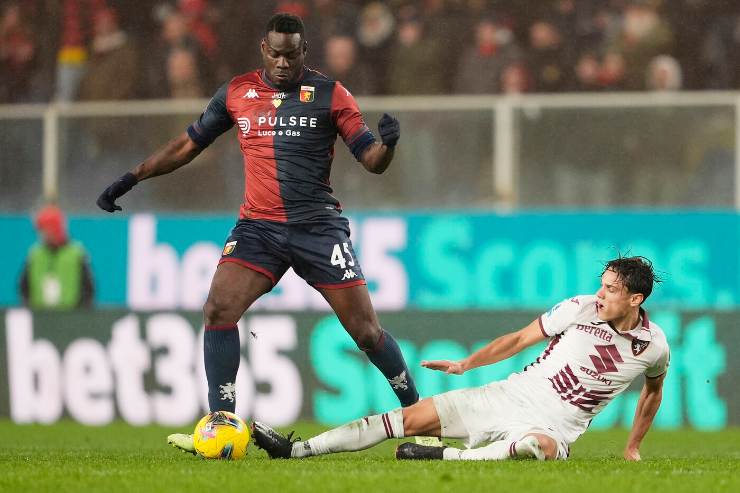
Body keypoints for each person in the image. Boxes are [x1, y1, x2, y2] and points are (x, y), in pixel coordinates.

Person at [95, 13, 420, 451]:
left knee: (365, 332)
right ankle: (220, 420)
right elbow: (188, 144)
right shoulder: (237, 92)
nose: (284, 63)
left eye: (292, 55)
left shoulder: (330, 94)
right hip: (258, 229)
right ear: (264, 51)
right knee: (218, 309)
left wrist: (390, 146)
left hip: (318, 229)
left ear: (304, 52)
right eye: (276, 54)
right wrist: (133, 178)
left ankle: (419, 412)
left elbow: (370, 159)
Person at [252, 256, 669, 462]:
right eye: (601, 285)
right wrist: (467, 364)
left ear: (635, 299)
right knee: (407, 419)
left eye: (611, 290)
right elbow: (519, 339)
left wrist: (632, 446)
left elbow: (653, 391)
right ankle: (296, 452)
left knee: (535, 448)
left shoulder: (653, 346)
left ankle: (443, 457)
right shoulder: (579, 308)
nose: (600, 294)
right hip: (509, 395)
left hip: (553, 427)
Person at [20, 204, 94, 309]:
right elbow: (24, 286)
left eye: (46, 230)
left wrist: (79, 312)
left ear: (56, 230)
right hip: (40, 316)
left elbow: (88, 287)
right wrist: (29, 308)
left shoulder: (76, 253)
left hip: (69, 317)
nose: (43, 235)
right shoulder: (35, 254)